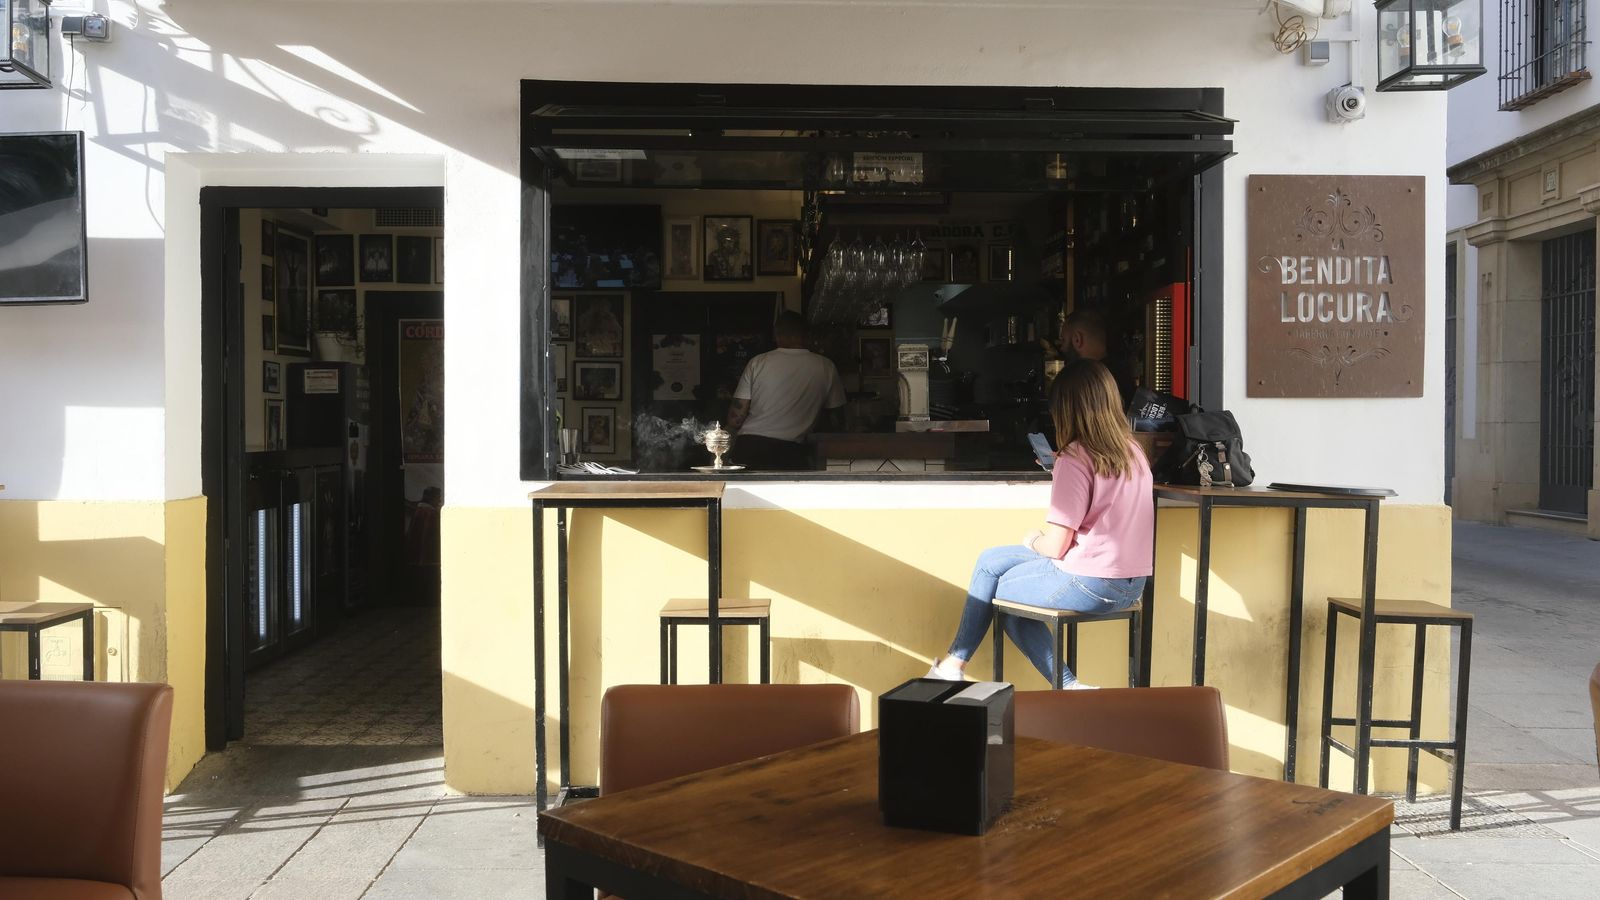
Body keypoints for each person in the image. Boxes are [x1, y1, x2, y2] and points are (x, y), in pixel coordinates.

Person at [927, 359, 1153, 689]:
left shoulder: (1075, 457)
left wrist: (1032, 539)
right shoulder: (1134, 452)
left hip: (1091, 583)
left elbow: (1056, 545)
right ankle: (952, 664)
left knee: (1000, 594)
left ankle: (1067, 686)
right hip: (1131, 585)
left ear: (1066, 409)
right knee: (990, 562)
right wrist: (1061, 475)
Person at [726, 311, 845, 470]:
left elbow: (736, 419)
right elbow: (837, 419)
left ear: (776, 334)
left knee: (744, 494)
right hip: (790, 450)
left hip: (750, 445)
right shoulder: (826, 366)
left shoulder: (758, 362)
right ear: (806, 335)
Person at [1058, 306, 1136, 411]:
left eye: (1063, 340)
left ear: (1077, 339)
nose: (1061, 348)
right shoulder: (1121, 374)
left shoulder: (1088, 385)